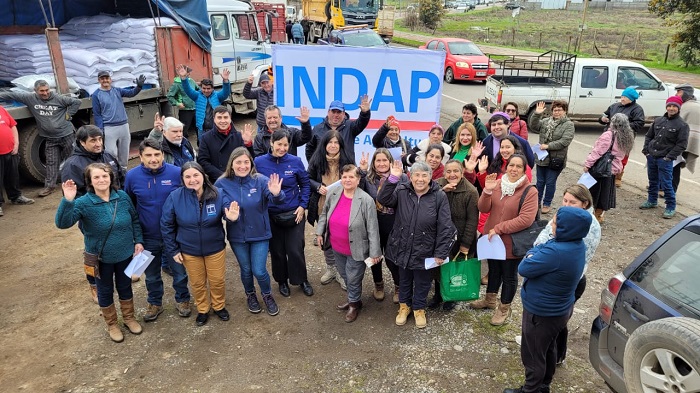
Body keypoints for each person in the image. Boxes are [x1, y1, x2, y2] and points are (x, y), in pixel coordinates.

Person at [503, 207, 592, 393]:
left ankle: (531, 390)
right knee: (548, 347)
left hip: (542, 312)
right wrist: (538, 251)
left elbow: (524, 267)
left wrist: (531, 253)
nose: (551, 224)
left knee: (533, 355)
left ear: (567, 228)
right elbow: (539, 250)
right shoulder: (577, 244)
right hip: (559, 310)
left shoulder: (556, 252)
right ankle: (544, 385)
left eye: (556, 222)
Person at [55, 163, 144, 343]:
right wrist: (68, 200)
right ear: (90, 181)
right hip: (100, 258)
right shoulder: (83, 203)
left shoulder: (123, 197)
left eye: (105, 176)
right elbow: (62, 223)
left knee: (125, 286)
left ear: (111, 178)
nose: (102, 180)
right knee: (105, 291)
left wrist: (139, 241)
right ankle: (112, 324)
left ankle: (129, 318)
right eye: (96, 177)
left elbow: (134, 220)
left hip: (125, 254)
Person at [377, 161, 456, 329]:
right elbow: (383, 199)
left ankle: (419, 308)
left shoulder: (439, 196)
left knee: (422, 281)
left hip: (426, 248)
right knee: (404, 278)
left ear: (430, 177)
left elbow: (445, 225)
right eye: (416, 175)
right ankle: (404, 307)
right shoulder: (402, 190)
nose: (420, 179)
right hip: (403, 245)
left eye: (424, 175)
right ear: (410, 177)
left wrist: (441, 252)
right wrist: (393, 179)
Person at [534, 184, 601, 365]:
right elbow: (543, 237)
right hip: (552, 272)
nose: (567, 205)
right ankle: (550, 352)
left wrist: (541, 253)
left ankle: (554, 356)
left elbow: (566, 253)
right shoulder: (565, 215)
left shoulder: (589, 226)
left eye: (573, 202)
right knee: (553, 321)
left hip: (568, 280)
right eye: (565, 200)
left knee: (556, 322)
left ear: (585, 204)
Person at [124, 139, 191, 322]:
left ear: (163, 154)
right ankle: (155, 303)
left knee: (179, 272)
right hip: (147, 237)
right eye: (148, 155)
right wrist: (136, 237)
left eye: (157, 154)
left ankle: (183, 299)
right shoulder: (132, 176)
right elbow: (130, 206)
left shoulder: (177, 173)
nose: (153, 159)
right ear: (140, 157)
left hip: (174, 236)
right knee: (152, 275)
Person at [161, 162, 235, 326]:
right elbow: (166, 225)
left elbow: (227, 211)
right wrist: (173, 250)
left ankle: (219, 306)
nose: (192, 179)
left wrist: (231, 217)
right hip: (189, 250)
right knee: (197, 283)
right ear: (182, 179)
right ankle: (203, 309)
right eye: (187, 176)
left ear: (203, 176)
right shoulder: (175, 196)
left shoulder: (218, 193)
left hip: (214, 248)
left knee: (217, 281)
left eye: (196, 175)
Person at [216, 148, 286, 316]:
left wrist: (277, 194)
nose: (242, 166)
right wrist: (229, 216)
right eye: (238, 162)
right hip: (237, 236)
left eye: (246, 162)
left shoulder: (260, 180)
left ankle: (267, 294)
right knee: (246, 270)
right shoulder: (221, 183)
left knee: (259, 270)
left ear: (251, 164)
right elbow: (223, 208)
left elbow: (275, 197)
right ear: (231, 164)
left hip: (260, 234)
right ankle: (250, 294)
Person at [470, 154, 538, 326]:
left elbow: (526, 219)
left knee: (508, 275)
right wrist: (487, 191)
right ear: (506, 167)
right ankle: (490, 300)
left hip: (510, 241)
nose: (513, 169)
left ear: (524, 170)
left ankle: (503, 309)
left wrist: (500, 228)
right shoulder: (499, 184)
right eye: (511, 165)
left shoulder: (530, 191)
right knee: (493, 270)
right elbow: (483, 208)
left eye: (518, 167)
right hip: (492, 239)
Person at [61, 125, 123, 302]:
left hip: (116, 209)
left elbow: (120, 178)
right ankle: (93, 282)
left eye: (100, 139)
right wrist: (92, 210)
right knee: (95, 253)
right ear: (82, 142)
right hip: (92, 217)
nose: (98, 144)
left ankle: (122, 274)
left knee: (118, 243)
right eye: (93, 141)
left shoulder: (108, 156)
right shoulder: (72, 165)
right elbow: (73, 196)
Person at [316, 164, 381, 323]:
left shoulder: (366, 200)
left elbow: (373, 229)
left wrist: (375, 253)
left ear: (358, 180)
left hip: (357, 249)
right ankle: (354, 298)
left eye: (351, 177)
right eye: (344, 176)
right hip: (337, 246)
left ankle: (354, 304)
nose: (347, 180)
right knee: (344, 275)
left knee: (353, 278)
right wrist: (319, 232)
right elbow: (324, 213)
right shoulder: (334, 193)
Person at [254, 130, 313, 297]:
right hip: (271, 215)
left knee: (295, 249)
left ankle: (301, 279)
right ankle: (281, 281)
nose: (282, 148)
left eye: (285, 144)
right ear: (271, 142)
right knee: (277, 251)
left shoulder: (295, 161)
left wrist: (303, 206)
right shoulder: (259, 162)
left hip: (295, 213)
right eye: (279, 144)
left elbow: (306, 185)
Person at [0, 80, 81, 196]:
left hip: (66, 135)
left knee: (73, 160)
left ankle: (79, 183)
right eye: (42, 91)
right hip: (49, 138)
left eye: (47, 90)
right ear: (35, 91)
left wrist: (68, 115)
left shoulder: (58, 98)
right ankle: (49, 187)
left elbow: (76, 102)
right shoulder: (31, 99)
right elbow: (12, 95)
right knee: (51, 163)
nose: (45, 93)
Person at [359, 148, 409, 304]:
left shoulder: (402, 177)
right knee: (375, 256)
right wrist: (361, 172)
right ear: (373, 163)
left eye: (384, 160)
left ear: (390, 161)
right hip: (374, 222)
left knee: (393, 257)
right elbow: (358, 194)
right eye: (378, 160)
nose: (381, 163)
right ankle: (378, 284)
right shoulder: (368, 179)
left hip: (395, 222)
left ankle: (398, 286)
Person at [306, 130, 354, 290]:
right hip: (322, 205)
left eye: (336, 142)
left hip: (343, 206)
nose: (333, 145)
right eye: (330, 142)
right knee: (326, 239)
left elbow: (355, 179)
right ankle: (331, 268)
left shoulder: (347, 160)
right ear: (325, 144)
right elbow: (308, 178)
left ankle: (341, 272)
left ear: (340, 145)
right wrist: (317, 186)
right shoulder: (317, 159)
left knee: (340, 239)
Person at [431, 159, 479, 311]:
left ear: (462, 172)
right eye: (449, 171)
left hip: (460, 238)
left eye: (456, 171)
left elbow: (473, 220)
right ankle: (438, 294)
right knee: (439, 268)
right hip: (440, 237)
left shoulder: (471, 191)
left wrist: (466, 244)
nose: (452, 174)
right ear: (444, 173)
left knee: (455, 268)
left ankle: (452, 296)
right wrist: (441, 191)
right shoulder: (437, 184)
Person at [640, 96, 689, 219]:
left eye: (674, 106)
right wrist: (646, 151)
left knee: (667, 184)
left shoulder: (682, 125)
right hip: (652, 156)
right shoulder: (658, 120)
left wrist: (669, 157)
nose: (671, 108)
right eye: (669, 106)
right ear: (666, 107)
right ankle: (652, 201)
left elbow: (682, 144)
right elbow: (649, 136)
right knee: (653, 181)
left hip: (665, 159)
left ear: (678, 108)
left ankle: (670, 207)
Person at [584, 113, 635, 223]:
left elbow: (597, 152)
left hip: (600, 168)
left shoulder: (609, 135)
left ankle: (589, 215)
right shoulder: (627, 136)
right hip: (612, 169)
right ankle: (599, 215)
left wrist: (588, 164)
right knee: (605, 194)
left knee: (592, 192)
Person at [91, 70, 146, 170]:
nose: (105, 80)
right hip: (109, 127)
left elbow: (131, 93)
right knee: (111, 152)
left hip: (123, 126)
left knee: (124, 151)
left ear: (110, 80)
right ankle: (113, 171)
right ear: (99, 80)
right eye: (102, 79)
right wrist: (101, 129)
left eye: (107, 78)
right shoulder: (96, 95)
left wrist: (139, 87)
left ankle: (123, 170)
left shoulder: (117, 90)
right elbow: (97, 114)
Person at [528, 100, 575, 214]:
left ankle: (547, 203)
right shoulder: (545, 121)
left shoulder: (568, 125)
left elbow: (565, 141)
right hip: (542, 157)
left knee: (550, 182)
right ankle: (536, 202)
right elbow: (533, 126)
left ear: (565, 111)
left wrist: (548, 146)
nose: (557, 112)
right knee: (539, 181)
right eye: (555, 110)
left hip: (556, 159)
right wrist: (537, 114)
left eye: (559, 110)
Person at [599, 86, 645, 187]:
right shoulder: (614, 106)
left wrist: (622, 126)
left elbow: (639, 123)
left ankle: (617, 177)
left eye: (625, 97)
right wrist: (602, 119)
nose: (622, 99)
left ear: (632, 99)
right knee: (604, 153)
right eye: (622, 96)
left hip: (624, 138)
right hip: (610, 135)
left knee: (621, 157)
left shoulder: (637, 109)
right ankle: (602, 170)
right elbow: (605, 115)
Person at [305, 97, 371, 162]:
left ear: (344, 113)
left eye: (339, 112)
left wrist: (365, 113)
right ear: (328, 112)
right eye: (333, 112)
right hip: (324, 171)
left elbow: (362, 123)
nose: (336, 115)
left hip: (346, 170)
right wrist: (315, 166)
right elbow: (309, 149)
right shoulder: (318, 128)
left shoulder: (350, 126)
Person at [197, 106, 254, 181]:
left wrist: (248, 144)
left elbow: (249, 159)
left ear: (230, 118)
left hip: (239, 178)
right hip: (217, 180)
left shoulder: (239, 136)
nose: (223, 121)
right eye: (219, 118)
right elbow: (203, 161)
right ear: (214, 119)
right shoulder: (206, 138)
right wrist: (222, 176)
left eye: (225, 117)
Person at [176, 65, 231, 142]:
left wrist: (225, 81)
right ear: (201, 88)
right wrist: (183, 78)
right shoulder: (197, 96)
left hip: (216, 128)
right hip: (202, 130)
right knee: (203, 150)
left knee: (217, 148)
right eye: (204, 88)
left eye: (208, 88)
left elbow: (226, 92)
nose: (206, 90)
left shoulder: (218, 96)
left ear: (212, 88)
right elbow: (187, 90)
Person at [0, 106, 34, 217]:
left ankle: (16, 197)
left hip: (10, 151)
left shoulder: (1, 109)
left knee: (12, 175)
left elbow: (12, 126)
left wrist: (16, 143)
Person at [674, 83, 700, 192]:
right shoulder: (695, 105)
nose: (676, 94)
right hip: (686, 141)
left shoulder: (686, 107)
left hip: (679, 142)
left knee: (673, 165)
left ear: (685, 93)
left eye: (679, 91)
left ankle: (666, 189)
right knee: (674, 164)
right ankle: (664, 187)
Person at [166, 65, 197, 138]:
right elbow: (170, 96)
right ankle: (183, 146)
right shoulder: (177, 84)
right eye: (188, 72)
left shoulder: (191, 81)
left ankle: (201, 146)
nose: (189, 74)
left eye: (189, 72)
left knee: (199, 129)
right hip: (185, 111)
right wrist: (177, 103)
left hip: (195, 109)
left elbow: (198, 90)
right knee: (183, 131)